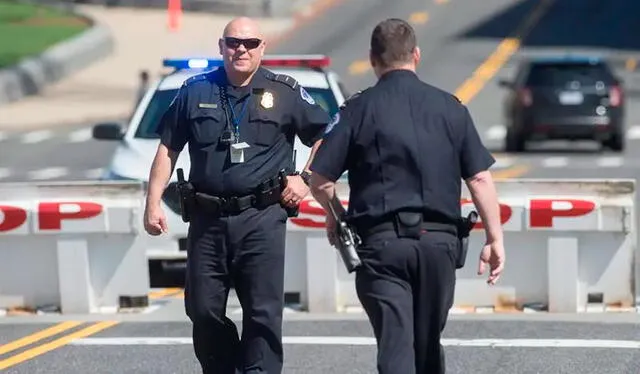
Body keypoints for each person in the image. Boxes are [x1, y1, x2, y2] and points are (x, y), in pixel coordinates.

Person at [308, 18, 505, 374]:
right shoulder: (451, 107)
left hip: (382, 247)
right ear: (416, 54)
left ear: (372, 59)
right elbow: (479, 178)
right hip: (439, 246)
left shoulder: (357, 110)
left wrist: (336, 216)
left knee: (396, 344)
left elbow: (320, 180)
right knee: (427, 346)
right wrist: (494, 238)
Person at [142, 16, 332, 374]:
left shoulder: (286, 91)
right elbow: (167, 149)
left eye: (249, 43)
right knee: (202, 309)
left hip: (262, 218)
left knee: (262, 313)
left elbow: (327, 135)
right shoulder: (194, 91)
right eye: (232, 42)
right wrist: (152, 204)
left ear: (263, 47)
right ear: (220, 46)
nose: (240, 49)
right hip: (207, 218)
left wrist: (304, 178)